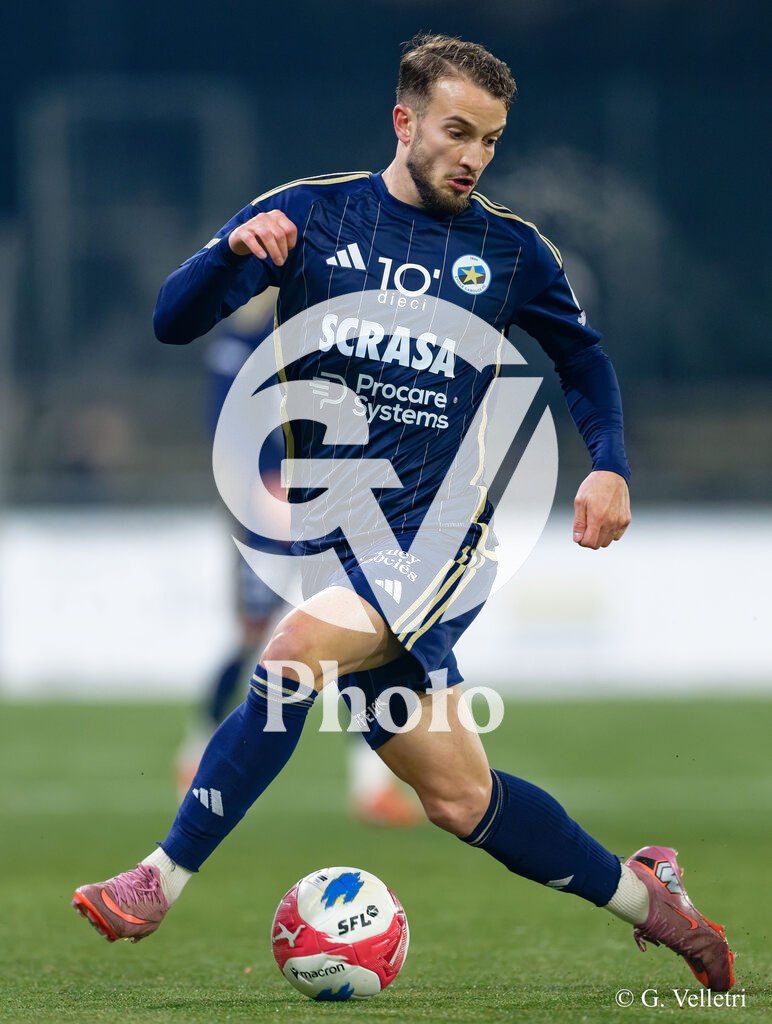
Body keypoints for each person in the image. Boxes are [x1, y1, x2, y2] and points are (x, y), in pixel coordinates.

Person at [72, 33, 734, 992]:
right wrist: (230, 255)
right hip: (332, 550)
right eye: (457, 131)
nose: (473, 156)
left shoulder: (510, 253)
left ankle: (159, 879)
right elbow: (174, 317)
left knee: (291, 654)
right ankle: (652, 900)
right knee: (463, 799)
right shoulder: (309, 214)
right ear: (405, 120)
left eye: (491, 141)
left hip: (431, 539)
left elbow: (583, 360)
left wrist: (610, 466)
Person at [176, 292, 421, 825]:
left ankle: (370, 784)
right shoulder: (242, 341)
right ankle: (194, 755)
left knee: (354, 640)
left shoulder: (330, 327)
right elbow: (223, 422)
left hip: (332, 503)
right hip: (267, 506)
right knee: (253, 634)